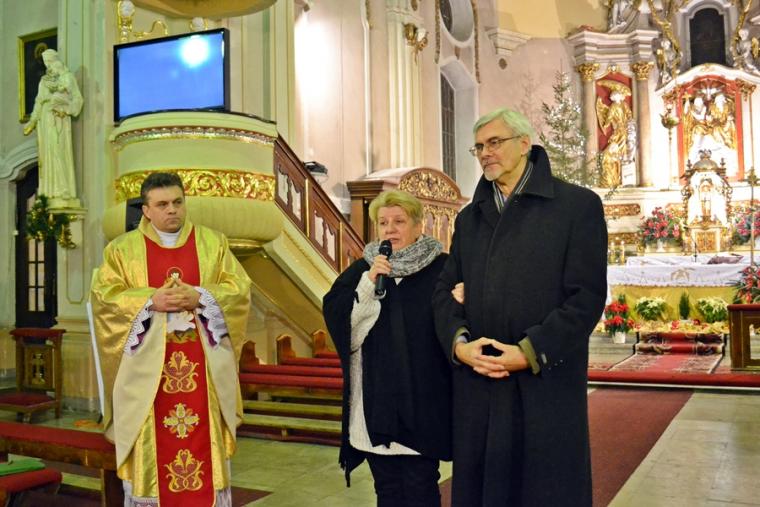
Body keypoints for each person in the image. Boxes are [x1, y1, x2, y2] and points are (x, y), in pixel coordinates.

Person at [433, 108, 607, 506]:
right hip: (481, 381)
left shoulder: (576, 206)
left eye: (495, 142)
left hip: (544, 383)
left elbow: (586, 298)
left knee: (542, 490)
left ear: (525, 143)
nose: (485, 153)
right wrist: (460, 345)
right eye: (479, 147)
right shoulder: (469, 218)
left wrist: (529, 352)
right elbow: (443, 291)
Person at [90, 172, 251, 507]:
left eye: (178, 202)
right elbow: (104, 298)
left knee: (203, 445)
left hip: (203, 372)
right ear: (146, 210)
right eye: (162, 204)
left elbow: (239, 289)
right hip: (148, 375)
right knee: (153, 444)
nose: (172, 210)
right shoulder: (122, 250)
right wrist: (150, 301)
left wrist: (201, 296)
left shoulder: (213, 243)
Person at [323, 190, 452, 507]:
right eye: (383, 223)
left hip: (423, 405)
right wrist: (369, 283)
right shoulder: (363, 271)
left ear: (418, 226)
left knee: (421, 488)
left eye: (399, 221)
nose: (390, 229)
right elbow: (347, 335)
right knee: (387, 490)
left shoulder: (443, 269)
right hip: (376, 406)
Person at [23, 49, 83, 208]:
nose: (48, 66)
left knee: (59, 151)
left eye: (50, 62)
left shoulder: (67, 77)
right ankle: (48, 192)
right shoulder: (44, 81)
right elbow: (38, 101)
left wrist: (66, 110)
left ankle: (63, 190)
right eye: (46, 63)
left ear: (57, 61)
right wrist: (32, 122)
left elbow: (78, 99)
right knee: (47, 154)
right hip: (44, 119)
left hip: (59, 118)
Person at [596, 82, 633, 188]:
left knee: (624, 151)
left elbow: (629, 114)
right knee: (617, 150)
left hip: (625, 129)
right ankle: (616, 177)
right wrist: (606, 124)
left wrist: (630, 122)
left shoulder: (624, 105)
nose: (615, 98)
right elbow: (609, 117)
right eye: (614, 96)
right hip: (618, 130)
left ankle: (623, 177)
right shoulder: (613, 106)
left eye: (616, 95)